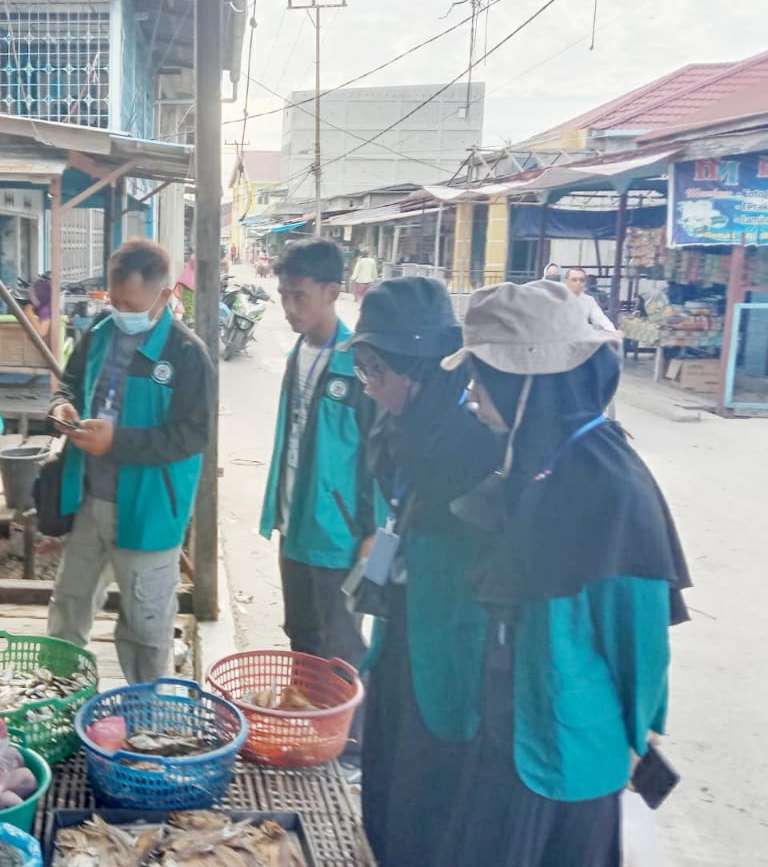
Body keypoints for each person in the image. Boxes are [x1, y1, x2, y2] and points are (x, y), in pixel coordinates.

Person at [434, 281, 691, 867]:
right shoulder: (531, 458)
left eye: (482, 374)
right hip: (510, 724)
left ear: (524, 381)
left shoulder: (610, 486)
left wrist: (639, 732)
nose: (471, 391)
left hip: (568, 749)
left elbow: (640, 638)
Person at [341, 276, 501, 864]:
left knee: (434, 771)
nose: (369, 388)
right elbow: (394, 507)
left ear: (421, 368)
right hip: (402, 619)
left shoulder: (475, 435)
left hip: (453, 630)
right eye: (364, 371)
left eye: (376, 372)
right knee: (388, 752)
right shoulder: (394, 420)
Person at [48, 238, 215, 684]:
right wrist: (61, 407)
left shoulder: (186, 354)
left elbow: (192, 435)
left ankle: (147, 719)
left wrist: (117, 443)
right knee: (69, 602)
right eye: (113, 298)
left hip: (149, 509)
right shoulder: (101, 332)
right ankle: (61, 696)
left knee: (145, 624)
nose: (118, 310)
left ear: (164, 295)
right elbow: (69, 382)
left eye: (128, 302)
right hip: (89, 500)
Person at [258, 239, 373, 764]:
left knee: (343, 644)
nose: (289, 307)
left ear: (332, 292)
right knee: (301, 635)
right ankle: (309, 728)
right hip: (294, 523)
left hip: (344, 536)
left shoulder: (360, 365)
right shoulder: (295, 356)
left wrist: (376, 534)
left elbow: (380, 459)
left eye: (299, 296)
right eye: (283, 295)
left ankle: (352, 748)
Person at [564, 268, 617, 333]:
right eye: (574, 280)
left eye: (582, 280)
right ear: (566, 282)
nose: (578, 283)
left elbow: (600, 318)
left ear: (585, 282)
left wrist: (613, 331)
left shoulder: (589, 300)